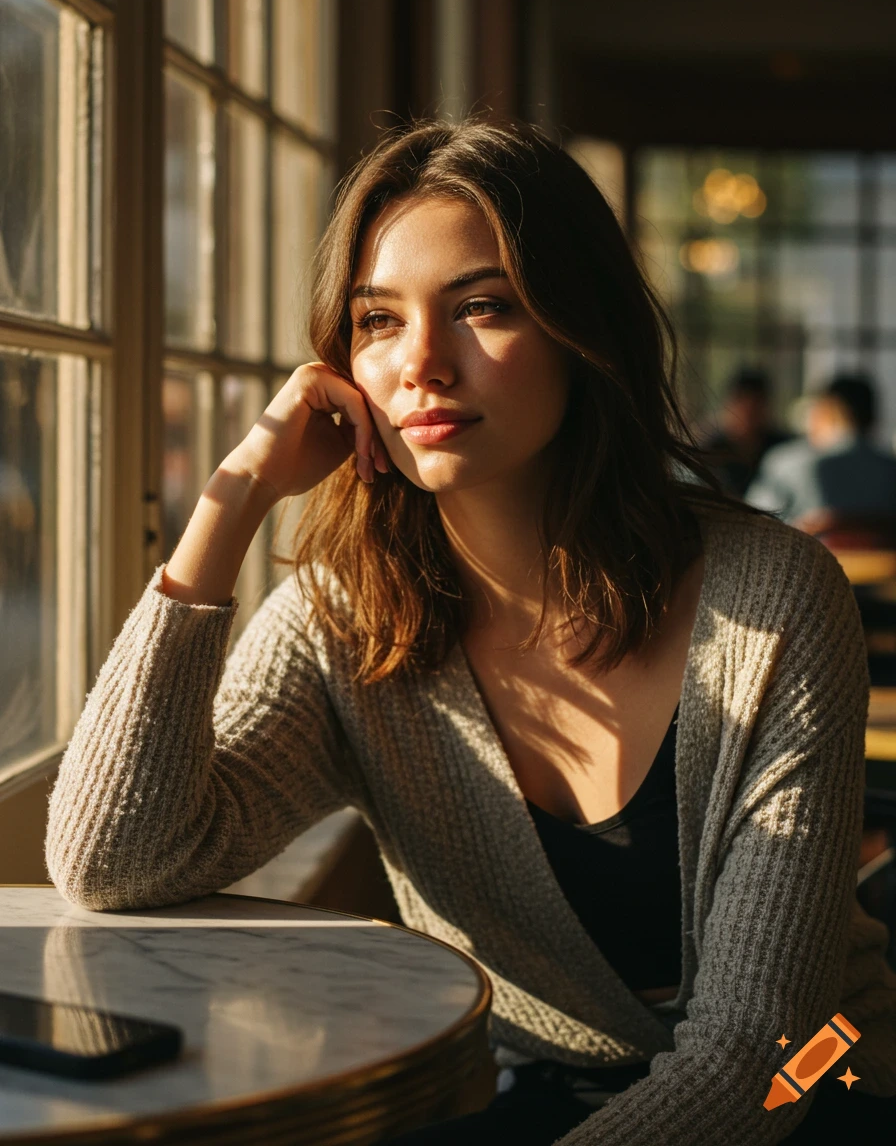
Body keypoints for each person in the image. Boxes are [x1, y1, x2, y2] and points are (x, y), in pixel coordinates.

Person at [45, 120, 896, 1145]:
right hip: (532, 1101)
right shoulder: (347, 616)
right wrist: (234, 498)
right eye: (376, 320)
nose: (421, 364)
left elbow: (759, 1047)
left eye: (481, 307)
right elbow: (113, 856)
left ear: (581, 329)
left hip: (811, 1096)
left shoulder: (771, 595)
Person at [746, 375, 896, 543]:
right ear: (873, 417)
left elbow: (754, 525)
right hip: (885, 568)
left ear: (826, 411)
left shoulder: (787, 463)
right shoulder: (890, 469)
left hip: (809, 565)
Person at [700, 368, 789, 499]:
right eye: (744, 407)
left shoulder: (782, 450)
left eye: (756, 408)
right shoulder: (711, 451)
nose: (748, 416)